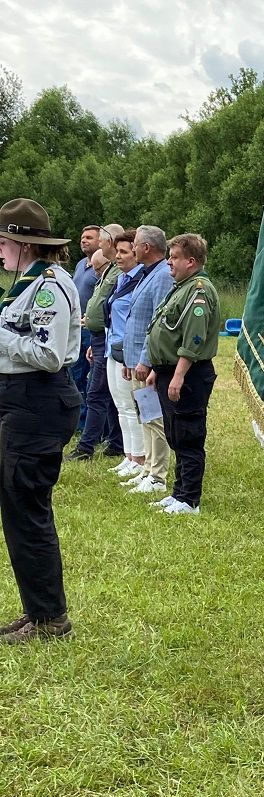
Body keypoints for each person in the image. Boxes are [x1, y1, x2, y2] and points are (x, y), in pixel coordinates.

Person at [0, 198, 82, 642]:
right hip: (22, 401)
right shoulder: (28, 284)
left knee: (26, 511)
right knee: (17, 509)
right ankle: (38, 610)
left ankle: (49, 617)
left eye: (2, 242)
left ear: (22, 244)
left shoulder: (50, 286)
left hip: (38, 402)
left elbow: (48, 355)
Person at [145, 234, 219, 515]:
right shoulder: (181, 287)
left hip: (189, 374)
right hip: (169, 371)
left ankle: (190, 499)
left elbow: (194, 338)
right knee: (176, 434)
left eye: (174, 257)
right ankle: (178, 492)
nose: (169, 262)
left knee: (189, 434)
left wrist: (177, 376)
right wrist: (158, 371)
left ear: (191, 261)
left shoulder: (198, 290)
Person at [65, 223, 125, 463]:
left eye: (99, 239)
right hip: (99, 338)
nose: (96, 242)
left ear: (108, 241)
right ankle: (115, 443)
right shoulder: (103, 269)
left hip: (106, 339)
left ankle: (88, 445)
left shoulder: (119, 273)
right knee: (101, 391)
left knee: (98, 393)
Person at [121, 225, 173, 495]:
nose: (132, 249)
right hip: (134, 359)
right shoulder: (146, 274)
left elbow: (157, 322)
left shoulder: (163, 275)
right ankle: (148, 467)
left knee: (154, 418)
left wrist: (146, 360)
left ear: (147, 247)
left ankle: (158, 475)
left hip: (147, 360)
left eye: (136, 244)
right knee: (144, 415)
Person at [104, 230, 145, 477]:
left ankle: (139, 458)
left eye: (124, 252)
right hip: (112, 346)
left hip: (128, 349)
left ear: (136, 253)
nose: (118, 256)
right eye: (117, 251)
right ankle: (129, 455)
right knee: (120, 405)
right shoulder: (121, 279)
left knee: (132, 406)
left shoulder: (139, 280)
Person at [70, 224, 101, 430]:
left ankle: (90, 425)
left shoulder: (102, 267)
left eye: (89, 237)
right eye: (82, 236)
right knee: (76, 376)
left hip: (92, 331)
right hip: (76, 330)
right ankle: (77, 423)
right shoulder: (81, 264)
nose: (84, 240)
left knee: (93, 381)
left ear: (100, 242)